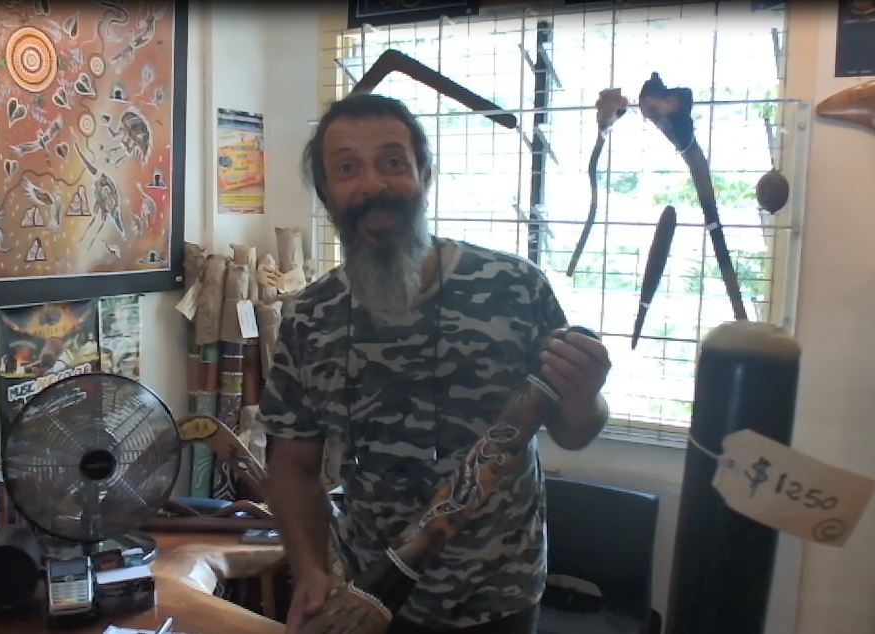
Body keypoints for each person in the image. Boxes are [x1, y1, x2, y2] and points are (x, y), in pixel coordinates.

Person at [258, 93, 611, 634]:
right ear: (326, 194)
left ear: (424, 176)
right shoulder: (310, 317)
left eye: (392, 162)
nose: (373, 184)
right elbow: (291, 466)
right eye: (347, 169)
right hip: (367, 598)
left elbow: (574, 430)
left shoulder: (513, 288)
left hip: (500, 599)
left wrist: (586, 395)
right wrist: (308, 570)